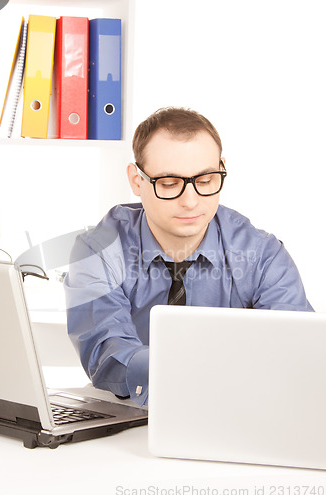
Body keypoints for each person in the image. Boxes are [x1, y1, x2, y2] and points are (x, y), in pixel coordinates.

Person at [64, 107, 313, 406]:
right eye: (169, 183)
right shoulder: (98, 251)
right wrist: (195, 377)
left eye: (206, 180)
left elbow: (297, 353)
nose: (191, 201)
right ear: (136, 180)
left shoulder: (263, 255)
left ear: (221, 168)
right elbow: (108, 350)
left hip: (236, 413)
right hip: (131, 415)